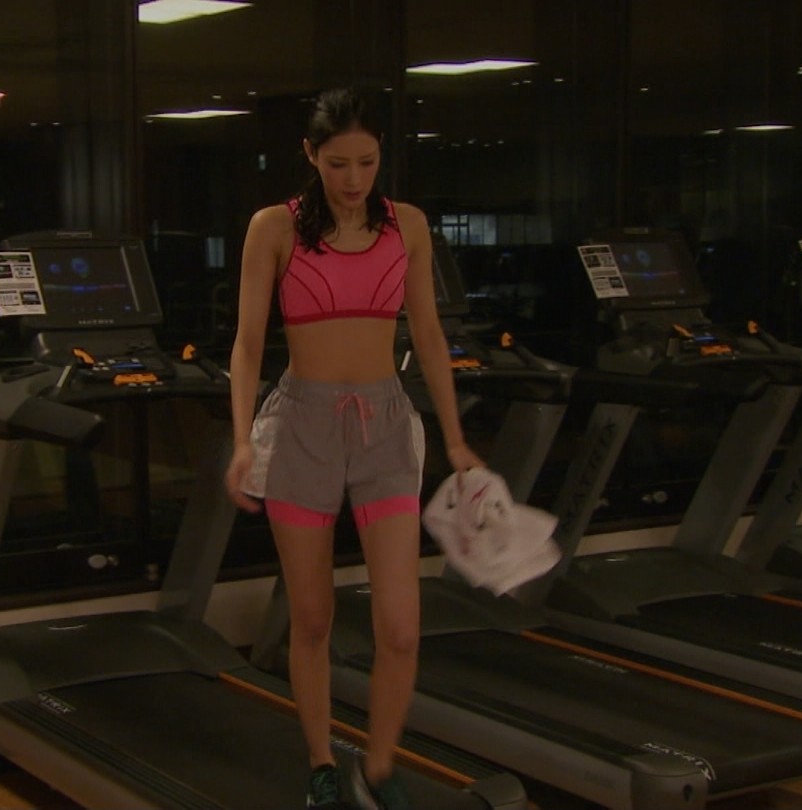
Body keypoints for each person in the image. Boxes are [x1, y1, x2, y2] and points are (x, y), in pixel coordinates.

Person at [223, 87, 484, 809]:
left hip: (385, 428)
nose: (353, 178)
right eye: (338, 163)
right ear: (311, 155)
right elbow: (247, 345)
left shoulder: (409, 226)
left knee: (400, 627)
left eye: (367, 162)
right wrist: (242, 441)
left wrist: (456, 439)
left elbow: (427, 334)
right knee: (311, 619)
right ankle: (321, 765)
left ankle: (379, 768)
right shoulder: (274, 228)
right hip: (301, 428)